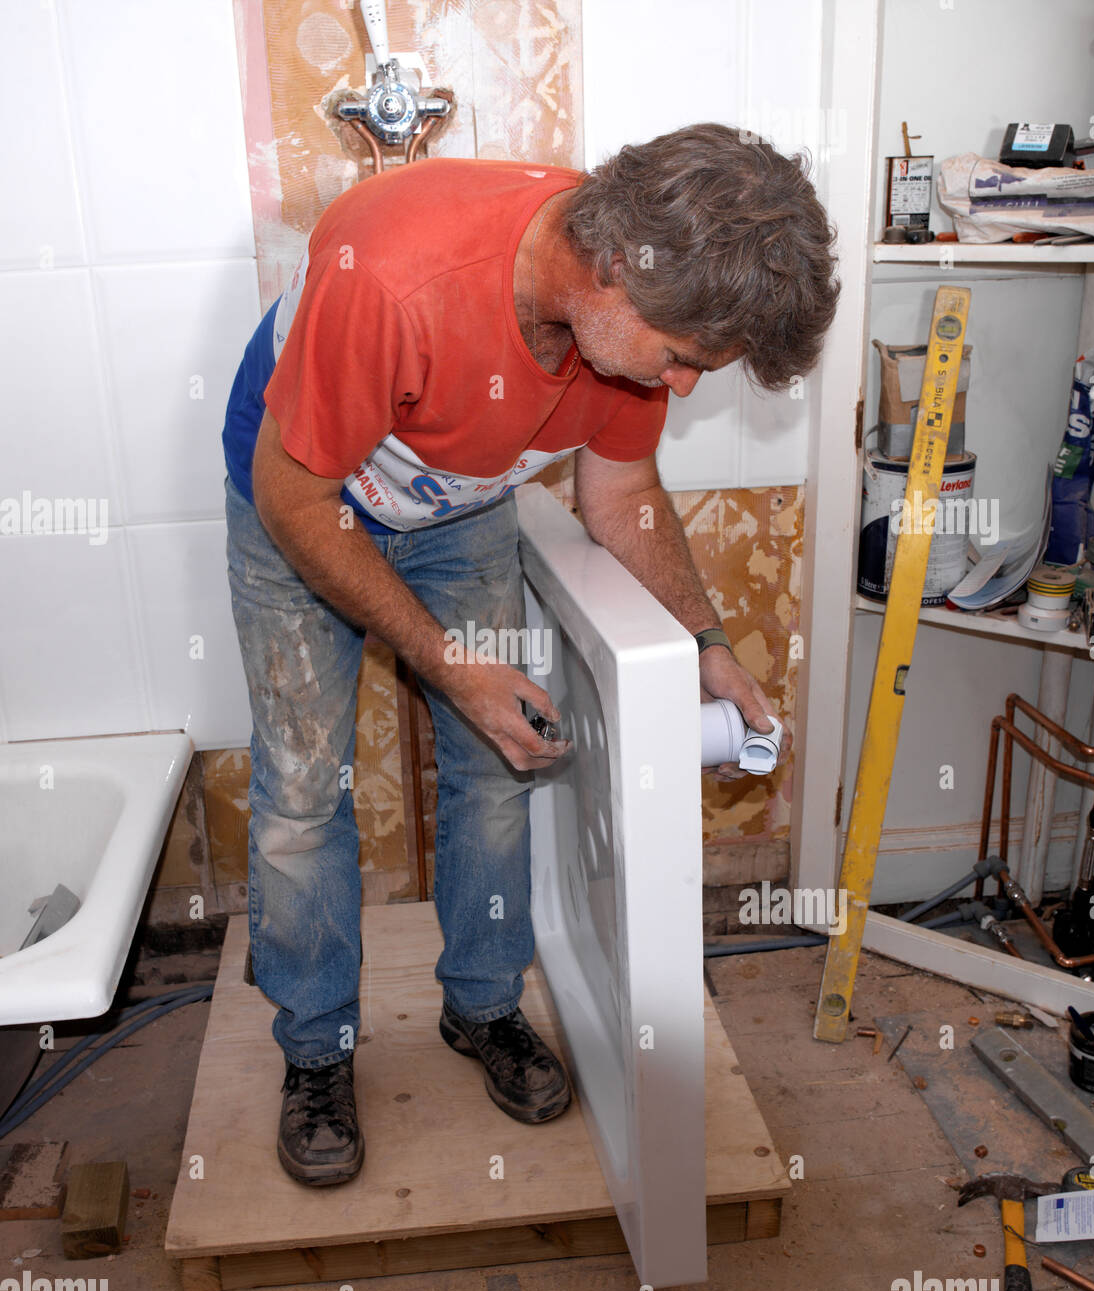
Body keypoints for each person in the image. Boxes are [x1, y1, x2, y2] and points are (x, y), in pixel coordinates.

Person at [222, 122, 839, 1186]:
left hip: (458, 495)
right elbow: (296, 497)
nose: (683, 388)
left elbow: (624, 495)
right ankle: (316, 1048)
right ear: (608, 271)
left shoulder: (622, 327)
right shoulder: (396, 276)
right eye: (683, 359)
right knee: (299, 790)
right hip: (302, 491)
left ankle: (484, 1007)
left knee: (504, 762)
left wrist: (706, 643)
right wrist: (448, 663)